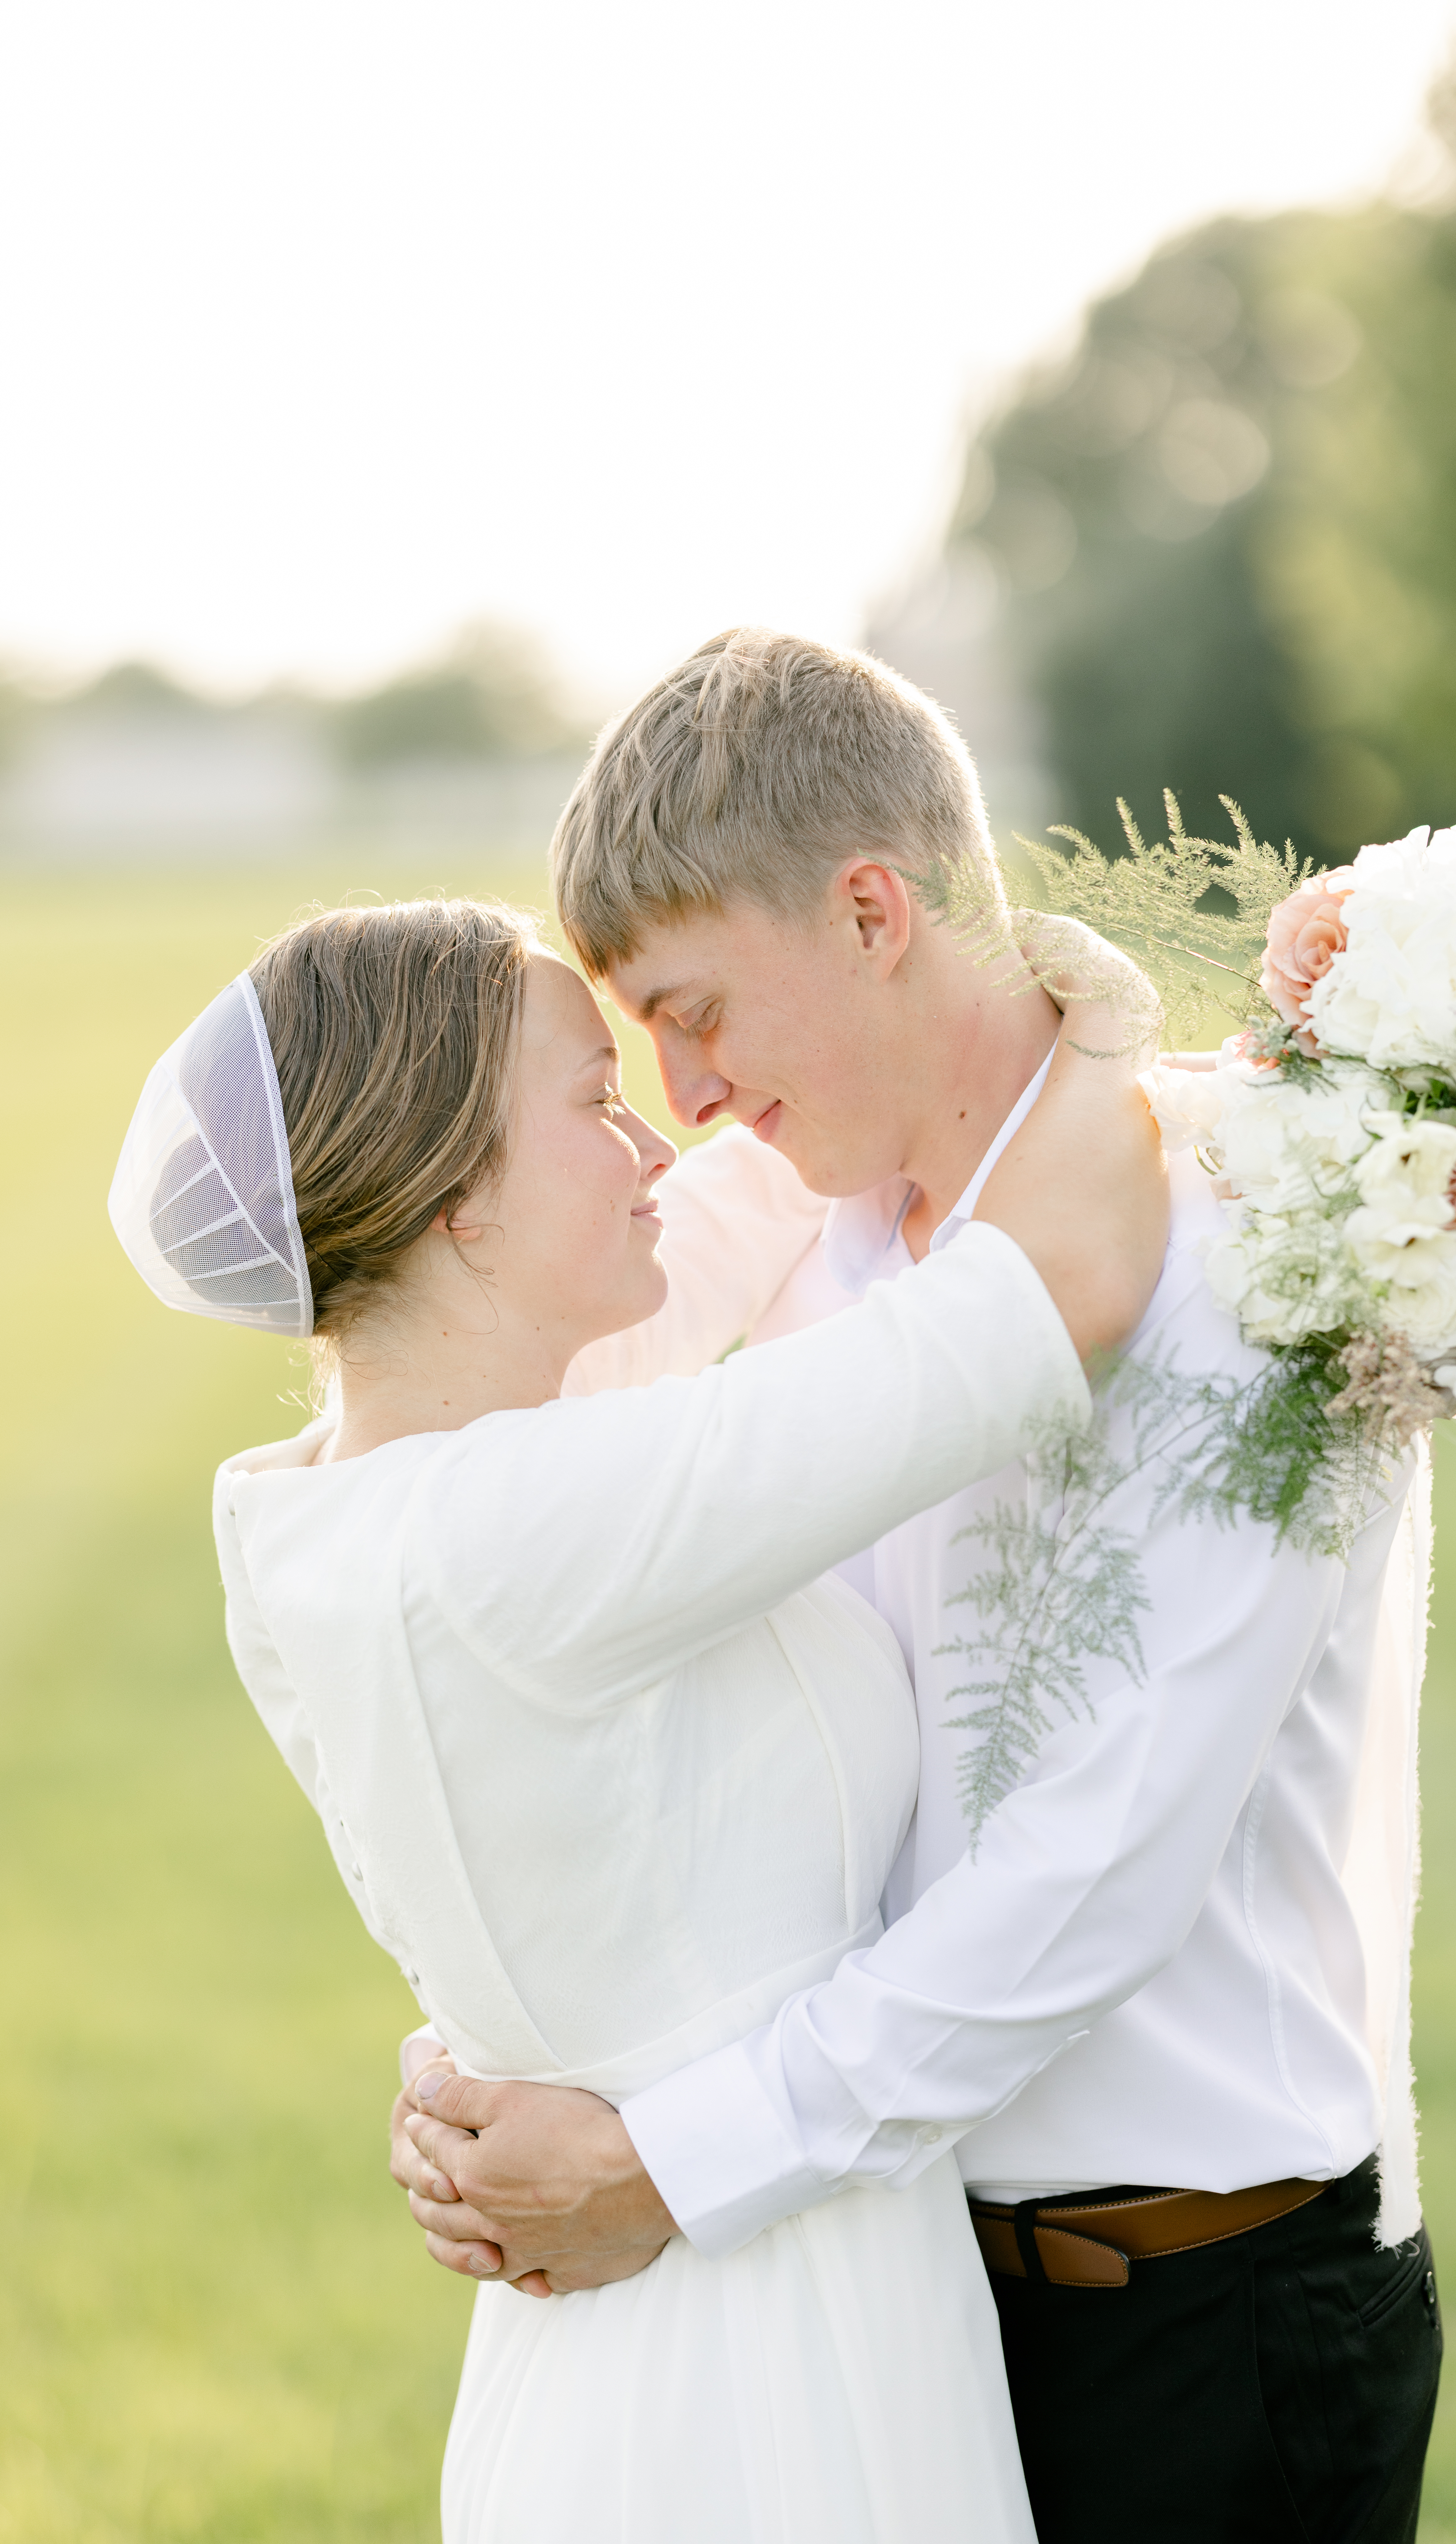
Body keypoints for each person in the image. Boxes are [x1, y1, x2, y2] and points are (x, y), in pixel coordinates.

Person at [393, 631, 1445, 2544]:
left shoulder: (1253, 1267)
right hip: (889, 2300)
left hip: (1191, 2321)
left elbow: (1090, 1874)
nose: (688, 1093)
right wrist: (492, 2066)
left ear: (871, 910)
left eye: (696, 1011)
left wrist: (662, 2165)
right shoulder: (802, 1255)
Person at [107, 892, 1168, 2544]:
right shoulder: (536, 1527)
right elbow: (1069, 1281)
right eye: (597, 1103)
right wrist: (1086, 1019)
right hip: (767, 2340)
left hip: (616, 2325)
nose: (659, 1144)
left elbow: (719, 1223)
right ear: (460, 1197)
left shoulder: (317, 1519)